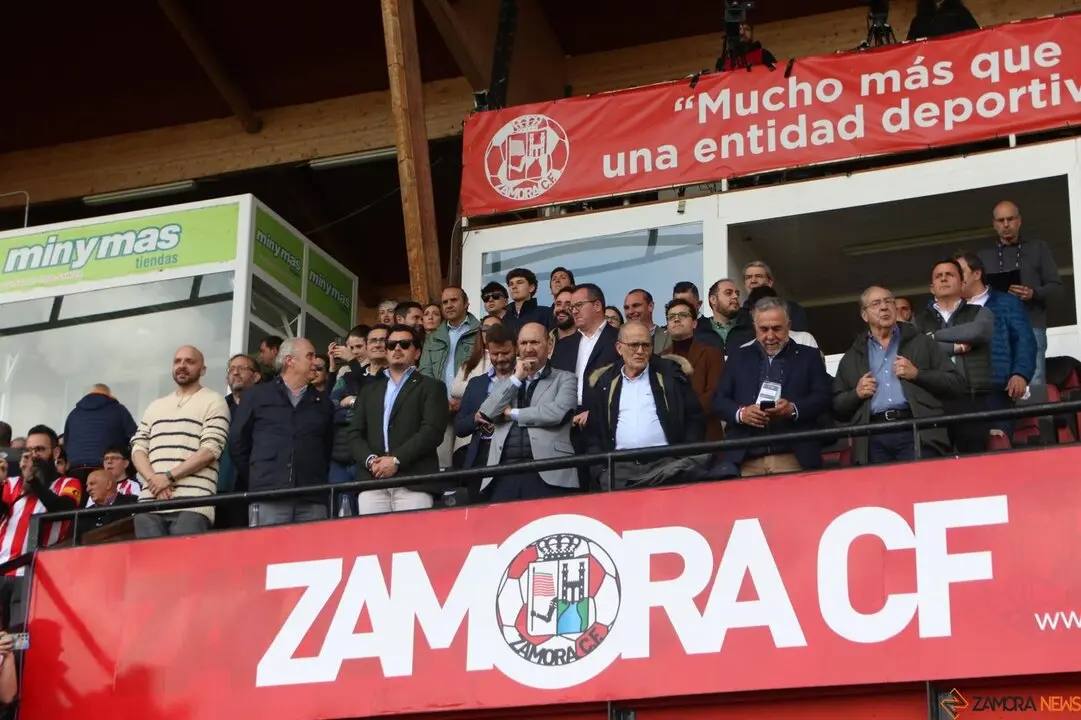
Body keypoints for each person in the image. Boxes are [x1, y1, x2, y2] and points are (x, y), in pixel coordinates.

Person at [833, 286, 966, 465]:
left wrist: (918, 374)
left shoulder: (923, 343)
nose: (884, 307)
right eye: (876, 303)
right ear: (865, 315)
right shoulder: (852, 356)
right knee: (881, 492)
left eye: (888, 301)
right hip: (872, 437)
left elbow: (956, 385)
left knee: (919, 490)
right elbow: (837, 407)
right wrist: (855, 394)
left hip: (917, 430)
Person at [714, 298, 832, 477]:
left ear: (788, 325)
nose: (770, 336)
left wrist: (793, 409)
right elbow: (719, 401)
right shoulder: (737, 357)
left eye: (777, 328)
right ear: (755, 327)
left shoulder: (809, 356)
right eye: (763, 329)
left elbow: (824, 397)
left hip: (794, 456)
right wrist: (742, 413)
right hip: (747, 458)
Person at [586, 321, 708, 489]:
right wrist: (600, 471)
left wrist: (683, 455)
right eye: (634, 345)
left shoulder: (670, 375)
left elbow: (694, 418)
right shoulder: (605, 382)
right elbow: (593, 432)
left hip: (666, 465)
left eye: (646, 345)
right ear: (619, 348)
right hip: (620, 469)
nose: (640, 351)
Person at [230, 338, 334, 527]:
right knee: (266, 555)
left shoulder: (323, 403)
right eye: (309, 356)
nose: (316, 362)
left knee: (312, 556)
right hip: (267, 497)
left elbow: (326, 448)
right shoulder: (256, 396)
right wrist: (260, 475)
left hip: (312, 498)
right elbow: (238, 444)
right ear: (289, 360)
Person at [130, 346, 230, 538]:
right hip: (149, 503)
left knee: (184, 567)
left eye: (190, 361)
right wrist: (154, 479)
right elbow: (138, 447)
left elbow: (210, 449)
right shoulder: (155, 405)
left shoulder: (214, 401)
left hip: (193, 504)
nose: (182, 366)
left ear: (203, 370)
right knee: (150, 567)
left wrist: (167, 477)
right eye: (177, 361)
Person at [350, 325, 448, 514]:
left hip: (414, 481)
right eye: (392, 344)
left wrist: (396, 460)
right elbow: (355, 433)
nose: (397, 349)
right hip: (373, 481)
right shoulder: (369, 391)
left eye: (404, 344)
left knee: (413, 542)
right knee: (373, 542)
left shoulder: (432, 387)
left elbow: (432, 432)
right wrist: (371, 461)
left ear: (417, 353)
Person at [478, 323, 579, 501]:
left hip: (549, 472)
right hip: (504, 473)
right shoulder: (509, 382)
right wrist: (517, 378)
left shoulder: (565, 378)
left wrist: (512, 414)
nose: (529, 349)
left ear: (549, 345)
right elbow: (487, 413)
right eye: (523, 343)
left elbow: (558, 413)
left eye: (534, 342)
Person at [913, 259, 995, 454]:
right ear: (932, 288)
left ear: (962, 283)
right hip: (933, 400)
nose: (943, 278)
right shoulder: (919, 320)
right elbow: (918, 352)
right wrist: (955, 347)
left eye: (949, 274)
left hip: (971, 397)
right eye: (938, 276)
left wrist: (934, 337)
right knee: (936, 470)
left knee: (975, 467)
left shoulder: (980, 312)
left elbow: (979, 332)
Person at [977, 200, 1061, 386]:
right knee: (997, 383)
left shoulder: (1038, 248)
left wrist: (1034, 293)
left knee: (1034, 381)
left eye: (1010, 219)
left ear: (1019, 221)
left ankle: (1038, 417)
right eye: (1000, 220)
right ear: (994, 224)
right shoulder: (984, 257)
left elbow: (1056, 287)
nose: (1006, 224)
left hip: (1032, 324)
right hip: (996, 330)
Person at [454, 324, 518, 475]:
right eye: (495, 354)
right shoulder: (476, 384)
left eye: (505, 353)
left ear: (516, 348)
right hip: (479, 458)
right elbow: (459, 427)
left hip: (513, 457)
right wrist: (474, 418)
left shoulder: (525, 379)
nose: (500, 359)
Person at [661, 297, 725, 442]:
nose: (676, 320)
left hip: (707, 436)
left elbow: (715, 394)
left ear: (694, 323)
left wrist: (683, 412)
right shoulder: (660, 359)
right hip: (671, 439)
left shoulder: (712, 353)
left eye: (682, 315)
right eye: (671, 317)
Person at [62, 383, 138, 485]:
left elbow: (65, 442)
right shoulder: (118, 409)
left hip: (75, 468)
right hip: (104, 466)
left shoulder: (73, 414)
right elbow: (136, 438)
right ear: (109, 395)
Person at [78, 468, 138, 541]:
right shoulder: (84, 515)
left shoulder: (133, 503)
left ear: (108, 485)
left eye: (92, 484)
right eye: (87, 485)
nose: (88, 489)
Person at [907, 0, 979, 41]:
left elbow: (977, 36)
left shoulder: (960, 12)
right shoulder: (919, 20)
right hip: (933, 62)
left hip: (957, 59)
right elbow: (910, 46)